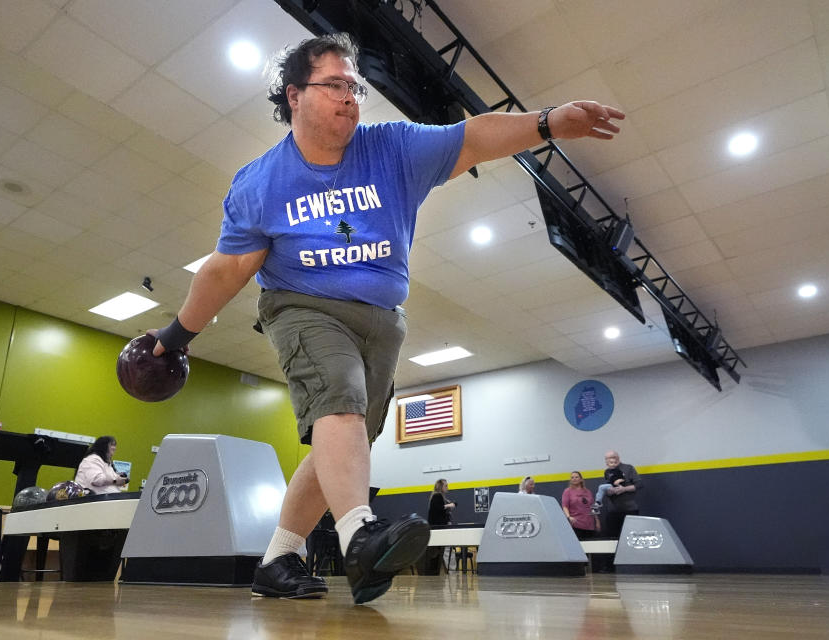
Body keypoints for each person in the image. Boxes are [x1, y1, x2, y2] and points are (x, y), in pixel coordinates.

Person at [149, 33, 624, 604]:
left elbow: (471, 137)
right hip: (302, 306)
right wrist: (177, 336)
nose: (350, 97)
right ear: (294, 95)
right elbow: (227, 270)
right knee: (341, 400)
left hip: (382, 320)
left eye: (355, 86)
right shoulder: (261, 182)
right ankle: (360, 536)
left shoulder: (393, 149)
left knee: (345, 435)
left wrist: (546, 123)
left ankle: (277, 558)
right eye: (335, 85)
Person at [561, 471, 598, 540]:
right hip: (576, 524)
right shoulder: (567, 491)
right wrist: (569, 517)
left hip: (589, 524)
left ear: (581, 479)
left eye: (576, 477)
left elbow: (593, 507)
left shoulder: (588, 491)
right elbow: (565, 506)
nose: (574, 479)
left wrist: (597, 521)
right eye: (572, 477)